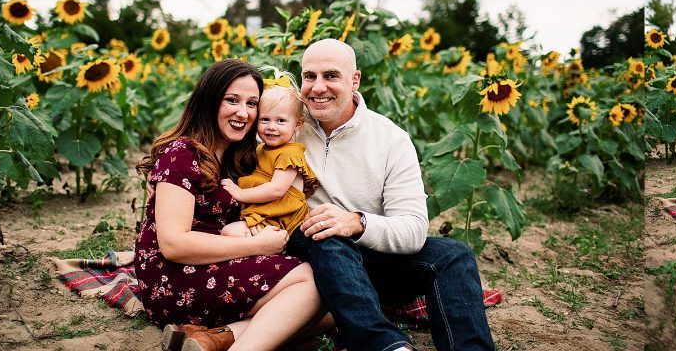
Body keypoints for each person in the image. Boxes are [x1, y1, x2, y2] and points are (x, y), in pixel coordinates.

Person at [283, 38, 495, 350]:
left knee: (454, 254)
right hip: (312, 257)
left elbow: (413, 229)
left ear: (354, 80)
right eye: (309, 76)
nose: (317, 87)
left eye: (330, 76)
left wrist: (358, 223)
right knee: (324, 232)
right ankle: (386, 345)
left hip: (371, 256)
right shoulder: (284, 126)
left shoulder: (390, 139)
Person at [134, 59, 325, 351]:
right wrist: (259, 246)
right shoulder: (182, 154)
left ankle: (214, 338)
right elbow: (174, 244)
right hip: (176, 276)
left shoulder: (240, 158)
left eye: (252, 104)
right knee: (313, 285)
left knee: (332, 305)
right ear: (209, 101)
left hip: (218, 261)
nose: (243, 112)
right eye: (232, 100)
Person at [220, 73, 319, 236]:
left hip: (283, 218)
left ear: (298, 124)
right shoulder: (261, 149)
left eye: (281, 121)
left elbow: (276, 190)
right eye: (265, 119)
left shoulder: (290, 154)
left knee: (229, 232)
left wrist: (241, 193)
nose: (271, 127)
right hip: (266, 213)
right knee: (230, 232)